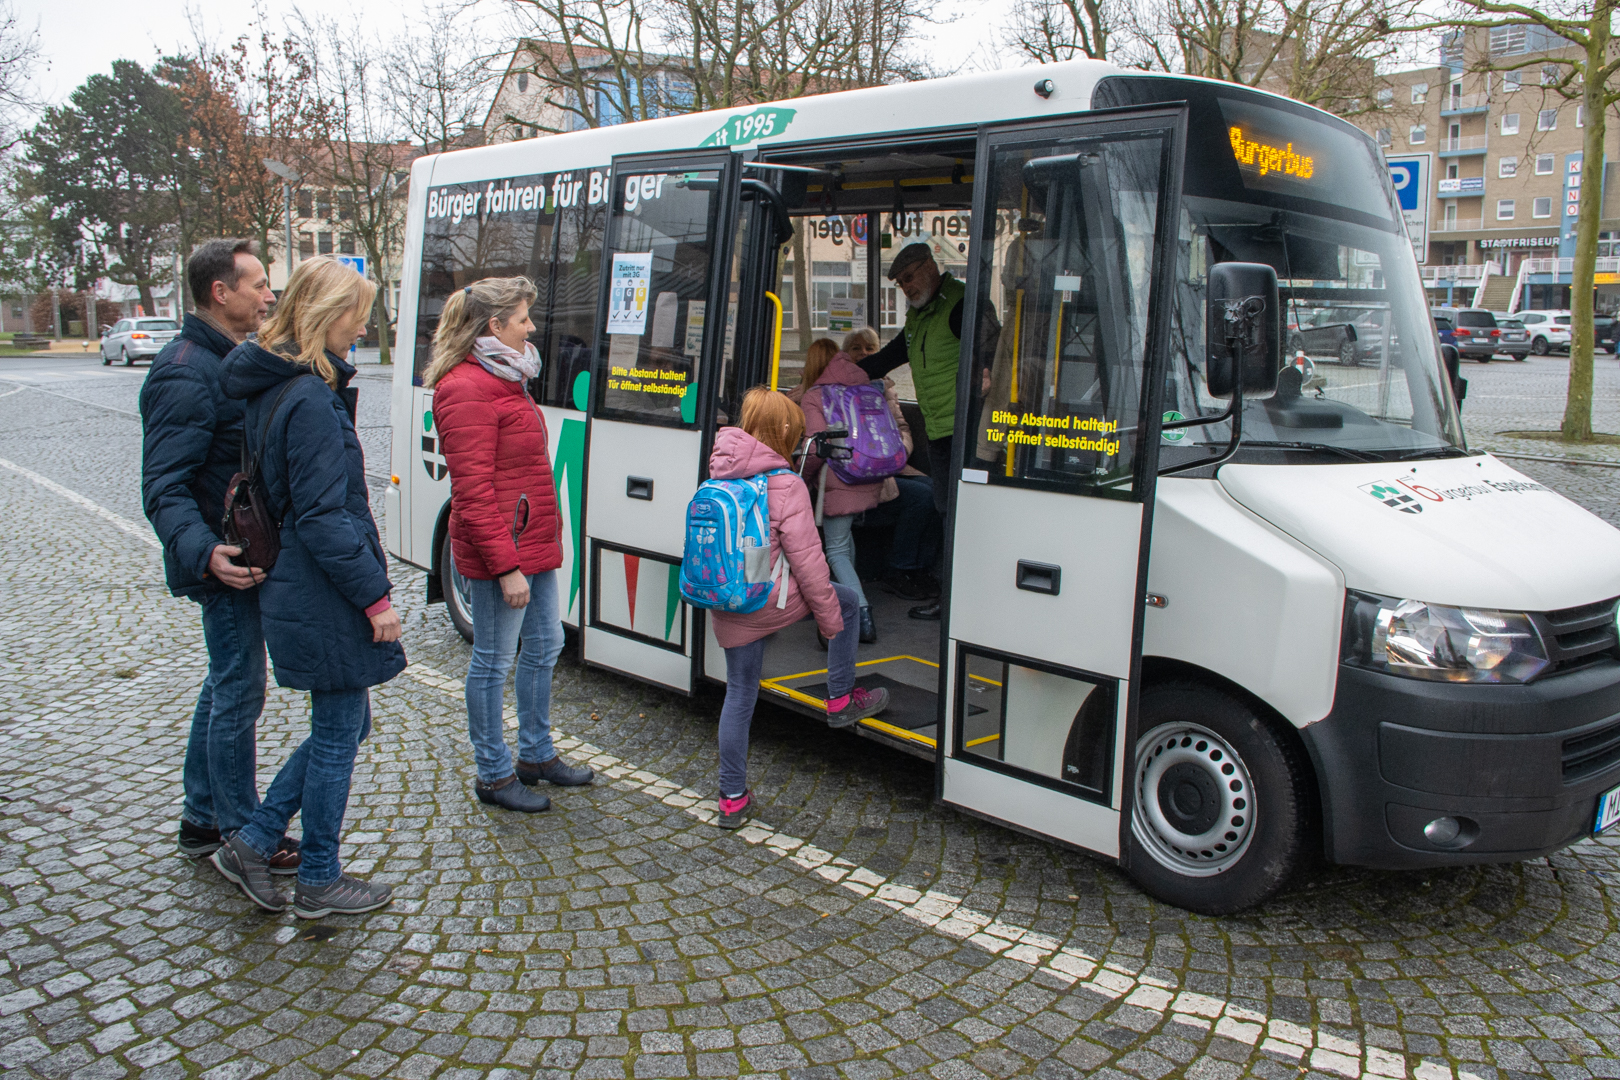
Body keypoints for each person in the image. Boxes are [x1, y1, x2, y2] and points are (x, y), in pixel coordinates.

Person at [215, 256, 406, 919]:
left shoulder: (279, 388)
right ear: (327, 316)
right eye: (356, 315)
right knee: (336, 734)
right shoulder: (311, 402)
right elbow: (326, 518)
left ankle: (256, 840)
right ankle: (318, 875)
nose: (361, 328)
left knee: (347, 725)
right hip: (320, 589)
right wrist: (375, 598)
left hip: (299, 583)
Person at [139, 239, 300, 873]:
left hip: (238, 552)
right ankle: (238, 831)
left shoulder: (229, 358)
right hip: (225, 560)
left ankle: (203, 815)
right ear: (220, 292)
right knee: (239, 689)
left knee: (226, 681)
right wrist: (206, 553)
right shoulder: (185, 369)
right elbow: (163, 486)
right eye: (259, 284)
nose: (269, 295)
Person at [421, 277, 594, 812]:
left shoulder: (506, 378)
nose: (533, 327)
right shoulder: (465, 388)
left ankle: (536, 755)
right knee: (493, 661)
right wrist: (504, 568)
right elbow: (472, 495)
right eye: (523, 318)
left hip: (532, 542)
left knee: (547, 646)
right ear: (495, 327)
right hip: (504, 554)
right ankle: (493, 775)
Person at [708, 388, 892, 829]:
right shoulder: (786, 485)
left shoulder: (718, 474)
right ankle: (841, 697)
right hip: (767, 602)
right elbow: (810, 567)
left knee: (739, 693)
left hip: (727, 601)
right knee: (846, 603)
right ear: (784, 432)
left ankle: (731, 798)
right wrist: (829, 623)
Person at [856, 244, 997, 620]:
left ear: (931, 267)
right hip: (939, 430)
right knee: (947, 512)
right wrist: (842, 373)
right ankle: (955, 600)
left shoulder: (961, 304)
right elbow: (890, 356)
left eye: (909, 277)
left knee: (964, 519)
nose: (906, 287)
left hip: (967, 430)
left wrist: (986, 376)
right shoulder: (920, 317)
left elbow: (993, 352)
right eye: (900, 283)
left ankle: (961, 604)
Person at [798, 331, 919, 644]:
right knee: (844, 542)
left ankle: (861, 617)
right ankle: (850, 601)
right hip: (871, 476)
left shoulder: (815, 396)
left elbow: (815, 447)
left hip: (839, 480)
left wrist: (801, 476)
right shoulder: (866, 386)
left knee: (835, 550)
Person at [839, 327, 940, 603]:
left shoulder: (885, 387)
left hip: (891, 466)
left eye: (870, 349)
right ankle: (900, 569)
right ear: (844, 355)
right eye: (856, 349)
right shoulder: (837, 387)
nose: (864, 354)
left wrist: (895, 453)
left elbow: (903, 428)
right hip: (859, 475)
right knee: (922, 498)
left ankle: (919, 568)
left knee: (938, 492)